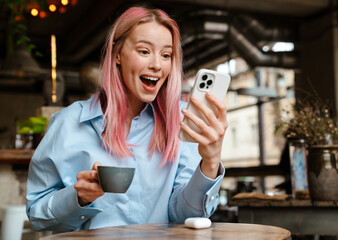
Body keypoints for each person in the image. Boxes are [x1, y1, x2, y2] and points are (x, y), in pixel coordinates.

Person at [26, 6, 228, 233]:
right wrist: (78, 198)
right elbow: (37, 216)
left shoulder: (182, 121)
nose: (157, 65)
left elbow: (185, 215)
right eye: (144, 51)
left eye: (166, 55)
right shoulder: (67, 123)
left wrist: (210, 163)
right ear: (117, 54)